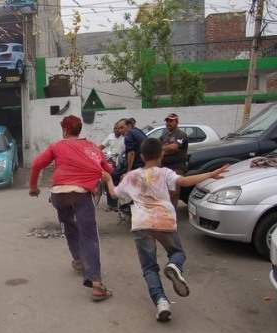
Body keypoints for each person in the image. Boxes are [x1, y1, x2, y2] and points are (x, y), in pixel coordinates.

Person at [102, 138, 229, 321]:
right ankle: (173, 266)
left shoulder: (131, 176)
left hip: (141, 224)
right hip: (164, 221)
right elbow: (184, 181)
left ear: (142, 156)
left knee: (149, 267)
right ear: (161, 154)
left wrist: (107, 180)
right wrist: (209, 174)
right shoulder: (165, 172)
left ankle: (161, 302)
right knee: (177, 253)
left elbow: (114, 194)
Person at [29, 115, 114, 302]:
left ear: (65, 130)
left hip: (59, 194)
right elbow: (109, 170)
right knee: (89, 236)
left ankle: (78, 260)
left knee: (69, 227)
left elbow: (36, 165)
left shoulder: (57, 146)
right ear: (79, 129)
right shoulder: (92, 148)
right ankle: (97, 285)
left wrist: (33, 188)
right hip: (81, 193)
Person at [160, 113, 189, 209]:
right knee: (164, 193)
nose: (168, 123)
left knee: (174, 193)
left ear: (177, 122)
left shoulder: (181, 134)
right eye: (167, 121)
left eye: (171, 121)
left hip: (177, 167)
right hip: (164, 167)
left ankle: (173, 218)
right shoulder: (164, 134)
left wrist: (163, 149)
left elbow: (174, 147)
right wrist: (165, 149)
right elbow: (158, 147)